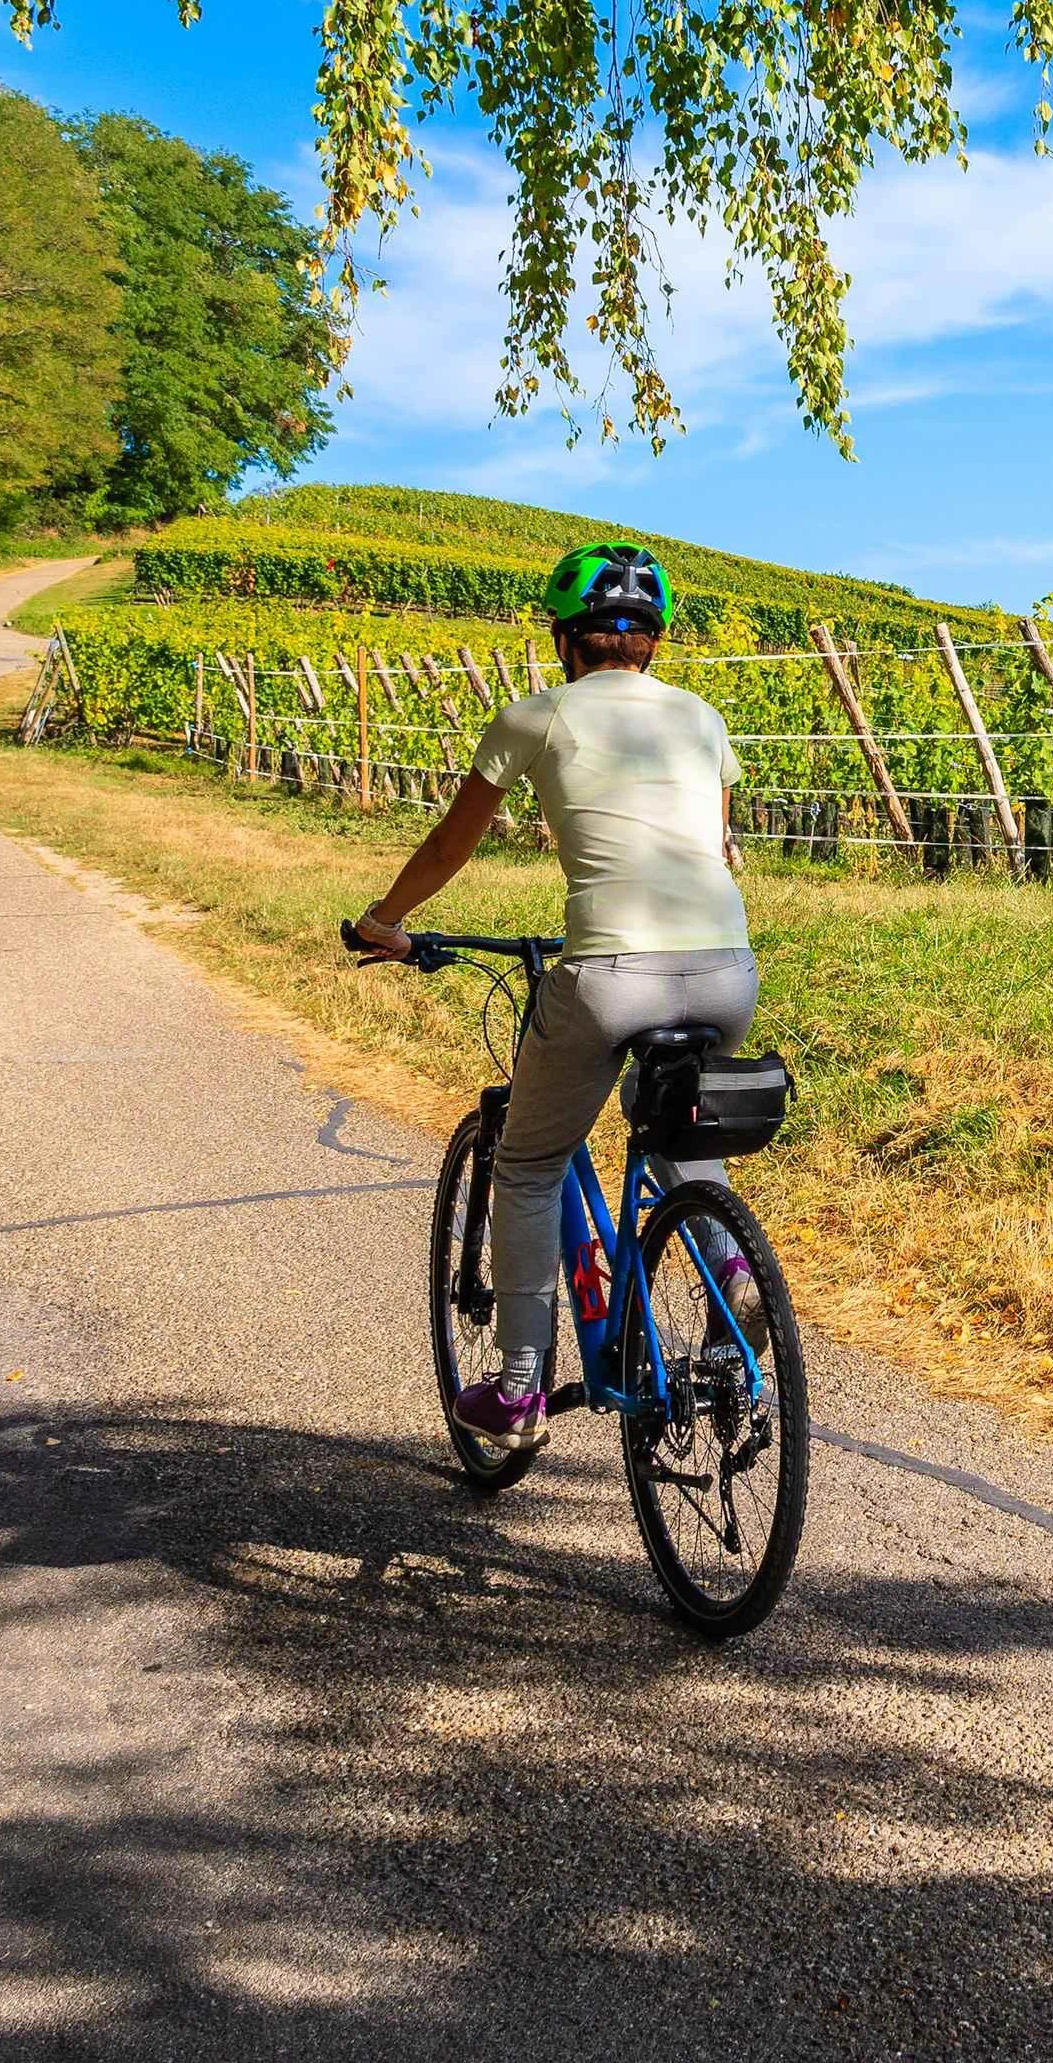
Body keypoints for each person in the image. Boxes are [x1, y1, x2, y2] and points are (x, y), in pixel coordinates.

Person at [344, 542, 756, 1450]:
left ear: (565, 640)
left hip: (610, 971)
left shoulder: (536, 715)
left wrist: (383, 921)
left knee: (528, 1165)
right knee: (685, 1135)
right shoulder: (700, 718)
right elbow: (715, 847)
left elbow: (451, 848)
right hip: (727, 968)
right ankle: (734, 1278)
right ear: (653, 642)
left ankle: (521, 1384)